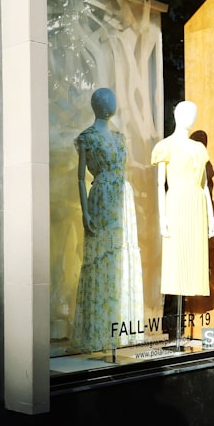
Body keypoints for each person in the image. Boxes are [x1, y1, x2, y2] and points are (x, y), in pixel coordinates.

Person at [71, 88, 144, 353]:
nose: (111, 103)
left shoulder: (120, 137)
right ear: (96, 105)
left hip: (122, 200)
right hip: (100, 199)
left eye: (113, 98)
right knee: (100, 259)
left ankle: (119, 330)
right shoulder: (86, 138)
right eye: (106, 99)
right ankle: (99, 333)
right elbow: (80, 178)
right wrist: (85, 212)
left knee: (121, 258)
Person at [152, 101, 214, 298]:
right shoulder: (165, 146)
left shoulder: (199, 149)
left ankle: (191, 292)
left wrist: (211, 217)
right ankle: (176, 299)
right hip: (176, 204)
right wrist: (162, 218)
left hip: (197, 205)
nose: (191, 117)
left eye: (194, 113)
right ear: (176, 115)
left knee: (195, 256)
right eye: (187, 113)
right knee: (177, 256)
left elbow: (204, 185)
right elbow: (159, 184)